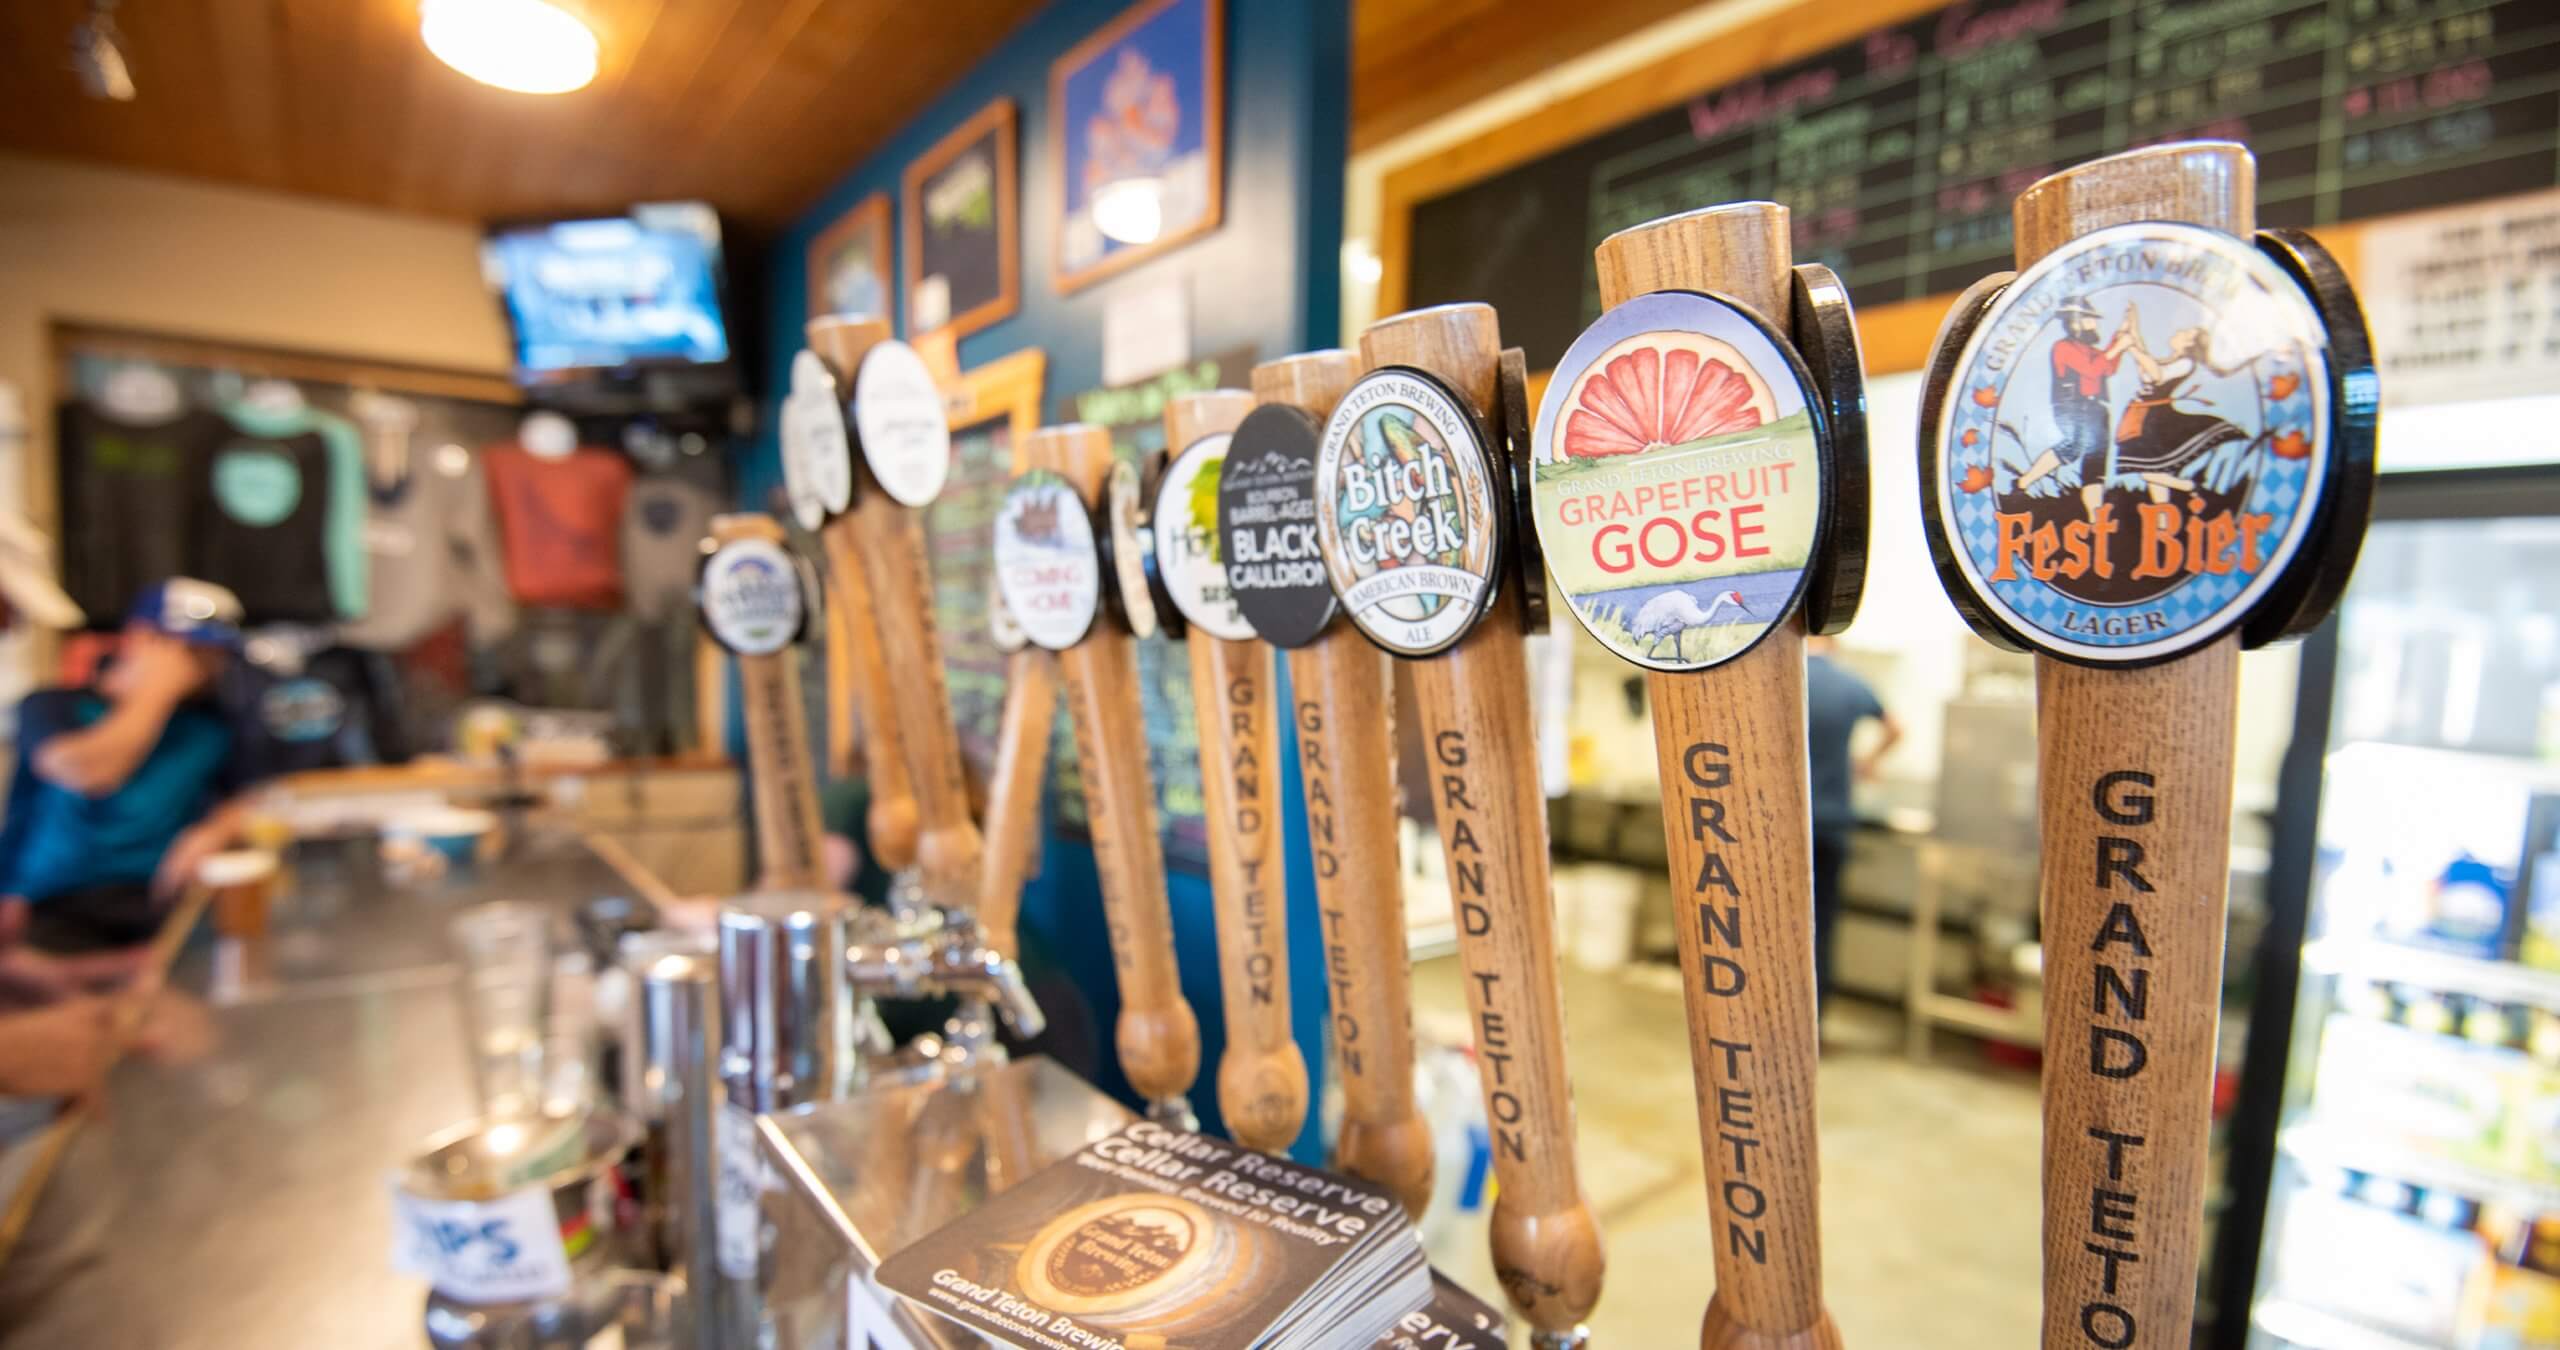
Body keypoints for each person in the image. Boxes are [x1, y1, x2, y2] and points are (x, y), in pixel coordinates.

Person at [0, 579, 259, 952]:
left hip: (159, 903)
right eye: (189, 649)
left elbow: (257, 795)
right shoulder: (53, 705)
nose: (206, 666)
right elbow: (89, 772)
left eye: (215, 653)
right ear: (139, 637)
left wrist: (216, 829)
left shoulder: (212, 725)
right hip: (55, 908)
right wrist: (155, 691)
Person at [1805, 635, 1901, 1015]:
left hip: (1779, 827)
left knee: (1775, 923)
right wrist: (1868, 762)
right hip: (1831, 823)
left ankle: (1768, 1018)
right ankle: (1813, 1023)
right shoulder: (1849, 683)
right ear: (1834, 642)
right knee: (1821, 927)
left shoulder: (1783, 678)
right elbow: (1895, 727)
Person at [2013, 296, 2133, 517]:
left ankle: (2095, 519)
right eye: (2089, 319)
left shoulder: (2091, 349)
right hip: (2074, 407)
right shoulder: (2063, 347)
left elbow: (2108, 368)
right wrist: (2117, 347)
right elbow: (2091, 370)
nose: (2095, 324)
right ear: (2075, 322)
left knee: (2095, 462)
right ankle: (2022, 483)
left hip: (2097, 408)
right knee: (2074, 446)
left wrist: (2120, 336)